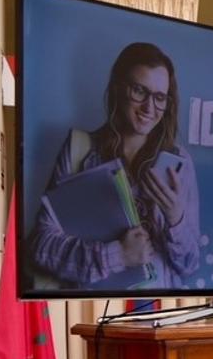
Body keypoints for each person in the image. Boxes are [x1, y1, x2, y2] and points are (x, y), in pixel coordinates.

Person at [30, 42, 200, 289]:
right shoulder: (80, 150)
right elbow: (42, 245)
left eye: (160, 97)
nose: (149, 108)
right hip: (95, 311)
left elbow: (190, 265)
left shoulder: (178, 163)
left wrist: (176, 219)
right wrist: (118, 255)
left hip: (161, 313)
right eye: (139, 91)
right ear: (118, 88)